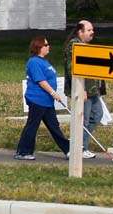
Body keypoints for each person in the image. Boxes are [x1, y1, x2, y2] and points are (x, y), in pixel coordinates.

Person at [15, 36, 70, 160]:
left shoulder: (45, 61)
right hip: (37, 99)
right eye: (46, 45)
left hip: (47, 101)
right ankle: (23, 152)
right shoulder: (34, 62)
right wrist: (53, 93)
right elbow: (41, 81)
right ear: (39, 47)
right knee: (32, 125)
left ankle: (68, 150)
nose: (48, 46)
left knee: (54, 126)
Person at [64, 19, 102, 159]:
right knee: (82, 120)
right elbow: (72, 68)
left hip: (92, 90)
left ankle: (81, 145)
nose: (92, 32)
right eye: (89, 30)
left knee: (97, 115)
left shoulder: (85, 45)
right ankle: (77, 148)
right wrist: (81, 89)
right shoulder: (74, 45)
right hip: (83, 91)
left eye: (92, 30)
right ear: (80, 32)